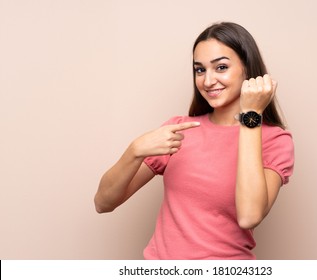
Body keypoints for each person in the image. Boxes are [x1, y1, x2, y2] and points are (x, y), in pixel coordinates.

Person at [94, 22, 294, 260]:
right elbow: (103, 203)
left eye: (221, 67)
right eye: (200, 70)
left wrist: (251, 115)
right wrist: (134, 150)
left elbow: (249, 216)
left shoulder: (274, 140)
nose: (208, 81)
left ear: (247, 70)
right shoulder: (180, 129)